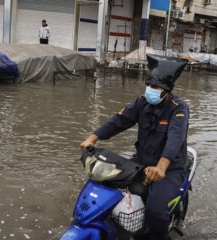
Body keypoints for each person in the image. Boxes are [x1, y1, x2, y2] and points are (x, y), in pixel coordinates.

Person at [80, 54, 189, 240]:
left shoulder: (178, 108)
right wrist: (91, 139)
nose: (150, 90)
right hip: (140, 161)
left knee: (155, 211)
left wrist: (161, 167)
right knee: (106, 189)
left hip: (169, 168)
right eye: (148, 85)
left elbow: (175, 138)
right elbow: (118, 121)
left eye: (155, 87)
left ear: (166, 89)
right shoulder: (142, 103)